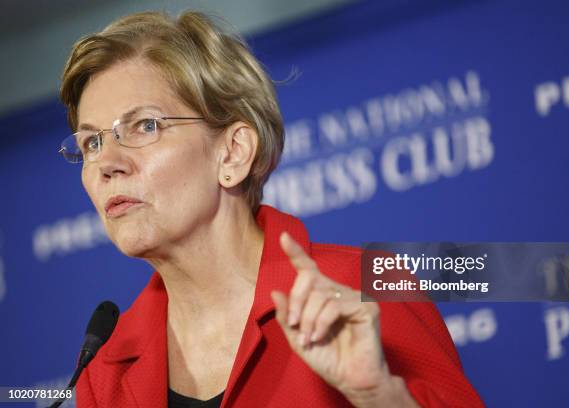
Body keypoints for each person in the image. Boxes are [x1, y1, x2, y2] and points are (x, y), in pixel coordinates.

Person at [58, 10, 483, 408]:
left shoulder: (361, 289)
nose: (106, 164)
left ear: (233, 153)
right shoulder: (104, 375)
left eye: (145, 126)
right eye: (91, 142)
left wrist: (381, 397)